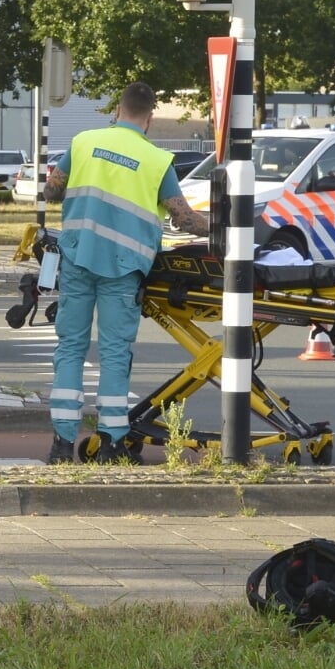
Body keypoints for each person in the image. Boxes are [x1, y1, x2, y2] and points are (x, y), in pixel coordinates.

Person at [42, 83, 211, 464]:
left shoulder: (84, 142)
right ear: (149, 118)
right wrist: (222, 230)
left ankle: (61, 446)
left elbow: (52, 191)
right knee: (115, 353)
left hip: (78, 259)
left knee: (70, 348)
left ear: (117, 110)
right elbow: (183, 218)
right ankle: (112, 444)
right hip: (123, 269)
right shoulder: (155, 161)